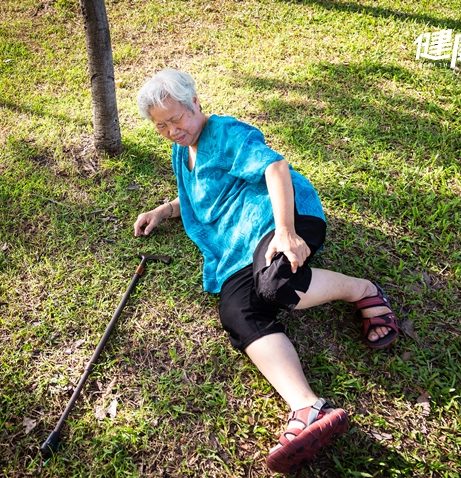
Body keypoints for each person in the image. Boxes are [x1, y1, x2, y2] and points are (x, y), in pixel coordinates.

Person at [133, 69, 399, 474]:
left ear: (195, 104)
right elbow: (202, 188)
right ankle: (308, 408)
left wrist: (288, 232)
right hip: (237, 248)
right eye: (161, 125)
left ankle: (361, 289)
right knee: (237, 312)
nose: (172, 130)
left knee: (275, 285)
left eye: (177, 118)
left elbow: (275, 168)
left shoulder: (224, 132)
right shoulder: (180, 151)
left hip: (281, 218)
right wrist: (164, 210)